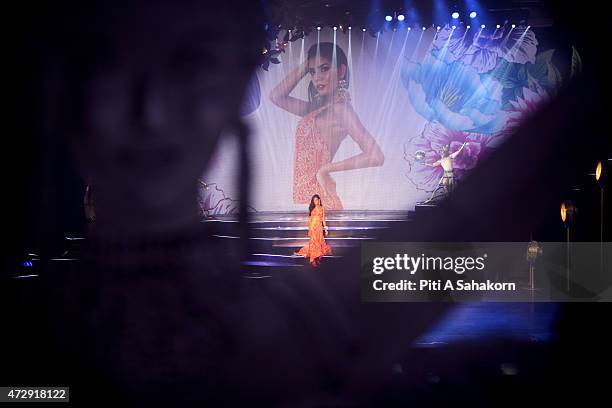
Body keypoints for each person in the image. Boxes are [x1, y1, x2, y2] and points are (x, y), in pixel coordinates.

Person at [270, 42, 384, 210]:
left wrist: (326, 169)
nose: (317, 78)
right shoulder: (317, 110)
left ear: (341, 71)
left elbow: (376, 156)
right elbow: (276, 96)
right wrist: (307, 64)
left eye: (324, 69)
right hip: (312, 201)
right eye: (312, 72)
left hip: (324, 202)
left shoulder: (340, 109)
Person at [294, 194, 332, 266]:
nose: (315, 201)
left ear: (319, 200)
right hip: (313, 227)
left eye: (316, 200)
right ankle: (313, 259)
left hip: (319, 227)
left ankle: (317, 257)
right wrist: (310, 229)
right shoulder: (312, 208)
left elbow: (323, 219)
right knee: (313, 242)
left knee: (318, 241)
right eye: (314, 200)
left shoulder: (322, 208)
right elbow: (310, 219)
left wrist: (326, 229)